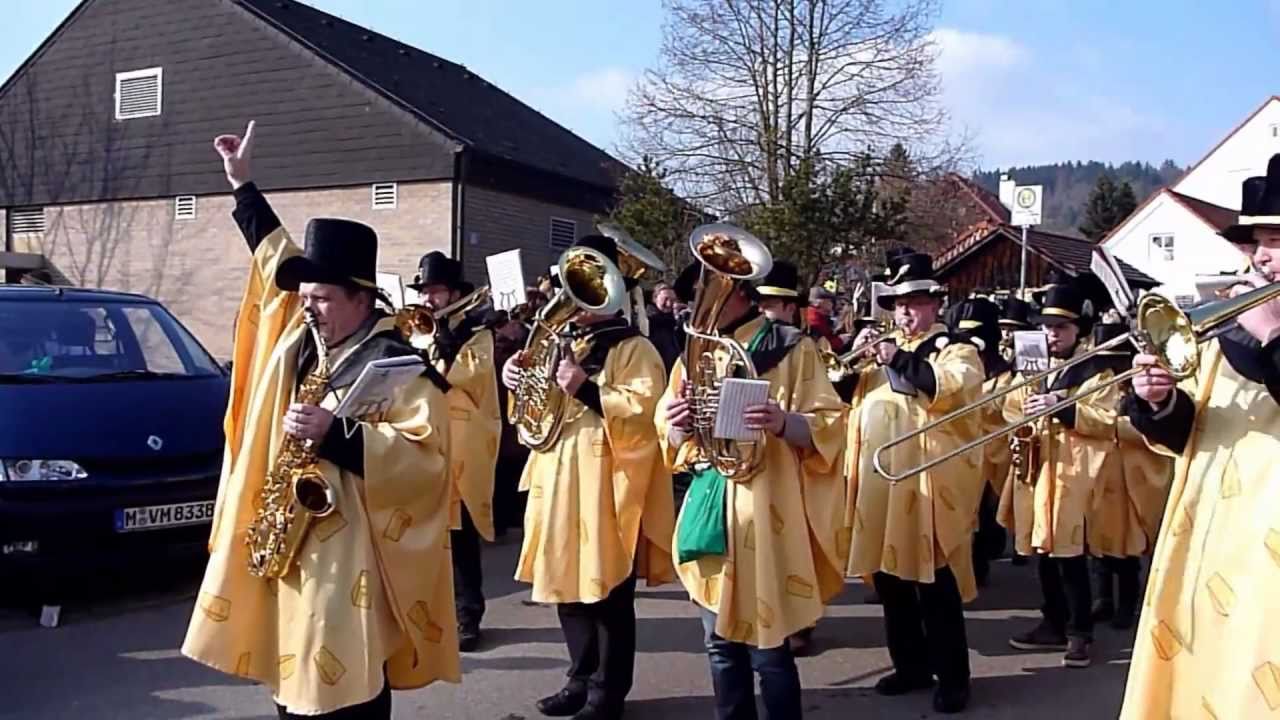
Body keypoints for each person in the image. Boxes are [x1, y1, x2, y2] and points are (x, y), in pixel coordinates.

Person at [181, 121, 458, 719]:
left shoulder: (399, 366)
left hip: (352, 557)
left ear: (363, 299)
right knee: (291, 680)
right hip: (291, 543)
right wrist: (242, 183)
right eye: (305, 296)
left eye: (323, 297)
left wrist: (339, 436)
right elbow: (274, 257)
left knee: (344, 690)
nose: (308, 305)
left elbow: (429, 463)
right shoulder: (302, 337)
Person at [1119, 155, 1280, 719]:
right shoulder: (1238, 319)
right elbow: (1195, 428)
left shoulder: (1260, 325)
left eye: (1278, 240)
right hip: (1212, 538)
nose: (1263, 256)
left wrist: (1273, 340)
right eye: (1258, 241)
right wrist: (1157, 398)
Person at [658, 251, 846, 720]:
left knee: (770, 647)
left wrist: (785, 422)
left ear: (741, 293)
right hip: (712, 503)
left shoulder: (792, 346)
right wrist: (677, 425)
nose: (701, 304)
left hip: (769, 511)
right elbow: (664, 427)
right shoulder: (693, 352)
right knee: (718, 642)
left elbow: (831, 423)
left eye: (709, 292)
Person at [501, 234, 675, 720]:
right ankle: (578, 679)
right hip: (557, 473)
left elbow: (645, 413)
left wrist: (586, 387)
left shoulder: (634, 347)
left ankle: (607, 692)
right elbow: (531, 413)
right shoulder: (561, 341)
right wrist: (515, 379)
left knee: (608, 592)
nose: (572, 298)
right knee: (565, 583)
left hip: (605, 480)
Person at [841, 248, 984, 714]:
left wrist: (897, 356)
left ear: (935, 303)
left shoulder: (959, 350)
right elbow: (844, 394)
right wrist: (846, 361)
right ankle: (911, 666)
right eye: (899, 303)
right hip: (883, 484)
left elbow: (944, 388)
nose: (905, 311)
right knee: (891, 584)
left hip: (928, 488)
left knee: (934, 586)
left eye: (916, 301)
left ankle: (954, 678)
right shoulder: (881, 352)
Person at [1000, 280, 1116, 669]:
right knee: (1042, 552)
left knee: (1070, 555)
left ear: (1077, 330)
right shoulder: (1031, 363)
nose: (1052, 335)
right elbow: (1009, 407)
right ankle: (1052, 621)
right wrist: (1024, 408)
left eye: (1061, 328)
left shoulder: (1095, 367)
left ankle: (1079, 631)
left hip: (1073, 472)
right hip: (1036, 469)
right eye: (1048, 327)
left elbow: (1106, 420)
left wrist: (1061, 406)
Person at [406, 252, 502, 653]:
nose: (429, 299)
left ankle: (468, 615)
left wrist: (444, 355)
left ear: (455, 293)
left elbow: (470, 381)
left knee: (460, 539)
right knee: (425, 536)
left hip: (462, 445)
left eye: (436, 291)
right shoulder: (419, 331)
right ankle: (429, 613)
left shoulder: (478, 332)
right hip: (424, 440)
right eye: (425, 291)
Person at [1084, 315, 1172, 630]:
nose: (1110, 367)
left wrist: (1114, 426)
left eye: (1115, 360)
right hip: (1103, 473)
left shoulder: (1143, 387)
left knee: (1128, 547)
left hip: (1134, 476)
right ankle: (1102, 600)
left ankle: (1127, 605)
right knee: (1100, 541)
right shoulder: (1096, 384)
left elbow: (1152, 429)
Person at [950, 297, 1011, 588]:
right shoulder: (957, 365)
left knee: (984, 513)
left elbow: (1000, 408)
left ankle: (980, 562)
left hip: (991, 451)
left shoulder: (1004, 374)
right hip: (961, 450)